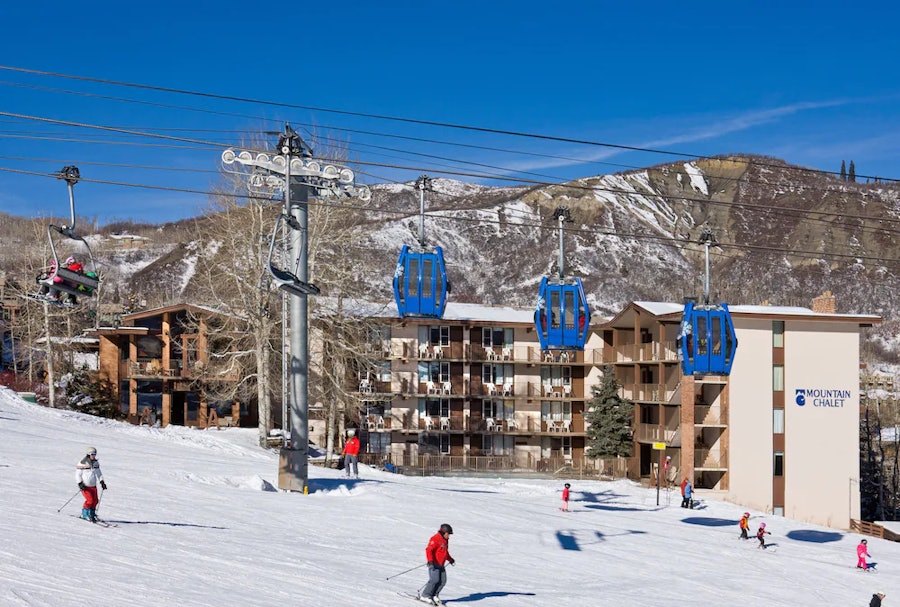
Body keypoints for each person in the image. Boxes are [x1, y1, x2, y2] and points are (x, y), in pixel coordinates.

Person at [419, 523, 455, 606]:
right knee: (434, 580)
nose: (449, 536)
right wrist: (430, 561)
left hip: (441, 564)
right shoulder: (435, 539)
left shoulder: (445, 540)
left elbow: (445, 552)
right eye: (448, 534)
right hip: (434, 564)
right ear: (443, 532)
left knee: (443, 581)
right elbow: (429, 550)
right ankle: (425, 595)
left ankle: (434, 595)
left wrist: (450, 559)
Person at [76, 447, 107, 522]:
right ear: (89, 454)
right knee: (90, 500)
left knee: (95, 501)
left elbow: (99, 473)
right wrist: (80, 483)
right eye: (92, 454)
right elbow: (77, 474)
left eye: (95, 454)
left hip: (93, 486)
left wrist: (102, 482)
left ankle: (92, 514)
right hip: (85, 486)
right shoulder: (82, 463)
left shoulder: (96, 463)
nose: (94, 456)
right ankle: (84, 513)